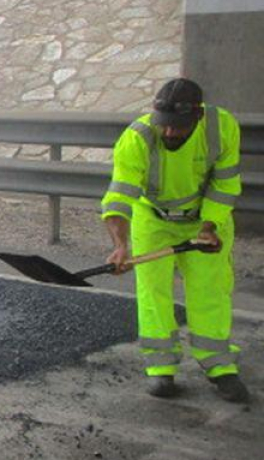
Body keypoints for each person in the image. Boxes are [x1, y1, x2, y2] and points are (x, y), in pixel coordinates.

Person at [101, 78, 249, 403]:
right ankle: (161, 369)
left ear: (197, 117)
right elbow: (119, 196)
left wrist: (209, 227)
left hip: (205, 218)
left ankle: (219, 366)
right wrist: (120, 245)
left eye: (177, 127)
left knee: (210, 290)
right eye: (164, 126)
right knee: (153, 291)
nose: (169, 133)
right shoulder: (137, 138)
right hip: (153, 219)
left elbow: (225, 185)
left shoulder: (221, 127)